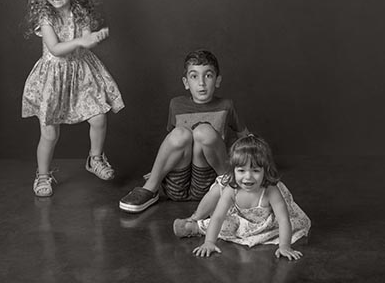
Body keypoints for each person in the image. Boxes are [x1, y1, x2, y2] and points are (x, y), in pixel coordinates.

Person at [22, 0, 125, 197]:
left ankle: (95, 158)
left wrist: (93, 38)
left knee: (99, 117)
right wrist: (81, 41)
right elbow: (55, 48)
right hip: (53, 78)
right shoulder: (46, 17)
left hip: (81, 74)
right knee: (50, 133)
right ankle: (43, 174)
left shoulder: (80, 13)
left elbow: (87, 41)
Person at [119, 49, 249, 213]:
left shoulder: (227, 105)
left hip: (210, 185)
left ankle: (229, 185)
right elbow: (172, 144)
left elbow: (246, 139)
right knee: (180, 134)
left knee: (204, 132)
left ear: (217, 80)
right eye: (194, 76)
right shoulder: (176, 105)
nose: (201, 83)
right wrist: (157, 171)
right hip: (176, 186)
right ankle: (150, 188)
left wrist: (248, 169)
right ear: (186, 82)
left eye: (208, 75)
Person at [173, 134, 311, 260]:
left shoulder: (270, 191)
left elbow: (283, 219)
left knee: (289, 227)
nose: (248, 177)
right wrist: (209, 242)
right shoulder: (232, 190)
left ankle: (197, 228)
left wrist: (284, 246)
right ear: (233, 170)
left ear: (265, 170)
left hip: (265, 224)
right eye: (241, 170)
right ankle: (195, 225)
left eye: (255, 170)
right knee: (224, 224)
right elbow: (218, 217)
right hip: (239, 220)